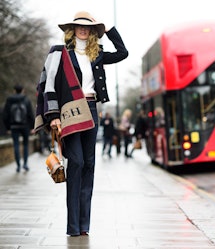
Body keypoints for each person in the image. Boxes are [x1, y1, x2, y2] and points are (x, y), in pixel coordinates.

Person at [33, 11, 128, 236]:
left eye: (88, 27)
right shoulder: (60, 53)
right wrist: (52, 115)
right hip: (68, 112)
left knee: (89, 165)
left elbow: (123, 53)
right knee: (75, 162)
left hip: (91, 109)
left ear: (93, 30)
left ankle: (83, 226)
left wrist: (107, 30)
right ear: (72, 29)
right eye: (79, 26)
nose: (83, 29)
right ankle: (72, 225)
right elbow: (49, 85)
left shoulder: (98, 53)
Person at [2, 84, 34, 172]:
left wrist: (8, 128)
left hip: (14, 126)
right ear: (23, 90)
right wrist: (32, 127)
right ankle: (25, 164)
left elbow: (5, 115)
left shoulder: (9, 100)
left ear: (14, 90)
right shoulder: (26, 100)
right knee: (25, 145)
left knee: (16, 144)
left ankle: (18, 165)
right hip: (25, 126)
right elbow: (30, 114)